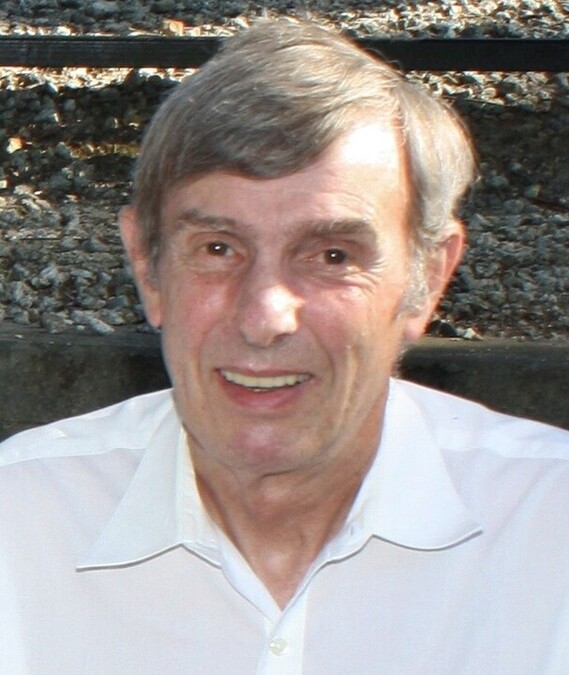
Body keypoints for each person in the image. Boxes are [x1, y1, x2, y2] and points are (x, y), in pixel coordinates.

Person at [1, 20, 568, 675]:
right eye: (218, 249)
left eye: (332, 256)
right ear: (147, 267)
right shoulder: (19, 530)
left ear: (427, 278)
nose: (264, 317)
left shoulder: (548, 533)